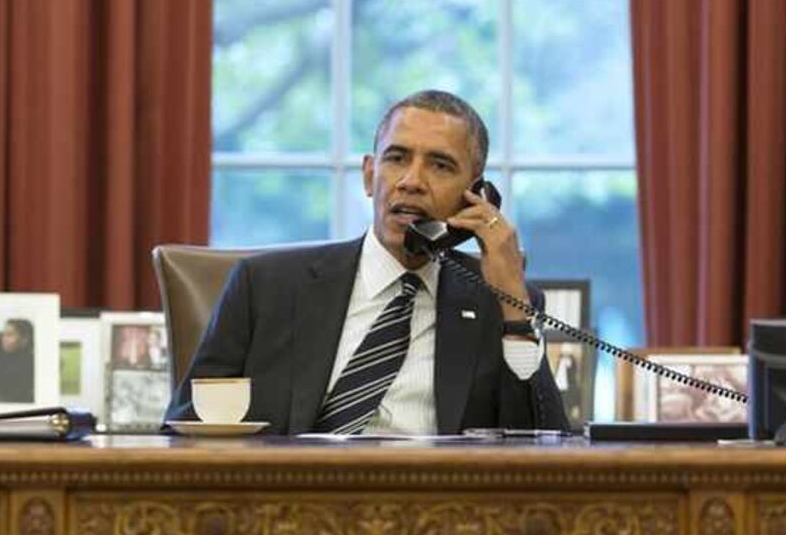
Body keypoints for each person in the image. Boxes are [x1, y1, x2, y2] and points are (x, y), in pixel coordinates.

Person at [164, 89, 568, 434]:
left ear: (475, 192)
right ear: (368, 175)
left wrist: (514, 304)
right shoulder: (266, 286)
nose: (411, 180)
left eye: (440, 165)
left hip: (435, 512)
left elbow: (543, 446)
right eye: (396, 158)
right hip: (287, 510)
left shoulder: (494, 302)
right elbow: (183, 431)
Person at [0, 318, 35, 403]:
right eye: (3, 335)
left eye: (9, 335)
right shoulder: (0, 357)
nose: (4, 339)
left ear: (25, 339)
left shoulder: (29, 364)